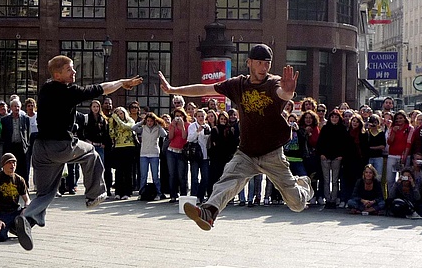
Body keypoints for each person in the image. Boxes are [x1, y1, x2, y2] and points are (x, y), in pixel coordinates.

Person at [159, 43, 313, 231]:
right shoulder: (237, 85)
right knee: (226, 181)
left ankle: (304, 184)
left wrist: (288, 91)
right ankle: (209, 213)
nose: (263, 68)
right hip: (246, 153)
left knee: (296, 204)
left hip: (272, 153)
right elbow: (205, 89)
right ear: (249, 62)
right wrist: (174, 90)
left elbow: (283, 93)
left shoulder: (273, 83)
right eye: (259, 63)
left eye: (267, 64)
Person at [13, 56, 142, 250]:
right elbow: (102, 88)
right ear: (58, 75)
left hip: (40, 148)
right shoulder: (68, 92)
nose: (74, 73)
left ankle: (25, 219)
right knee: (92, 153)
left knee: (45, 193)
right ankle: (93, 195)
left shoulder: (46, 88)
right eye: (69, 70)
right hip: (61, 146)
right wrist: (122, 83)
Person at [0, 152, 30, 241]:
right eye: (9, 162)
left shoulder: (19, 179)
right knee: (0, 236)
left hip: (16, 211)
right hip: (2, 214)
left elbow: (27, 199)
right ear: (3, 165)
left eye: (14, 163)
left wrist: (27, 207)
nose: (12, 165)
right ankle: (1, 228)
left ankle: (19, 229)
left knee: (37, 211)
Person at [316, 108, 349, 208]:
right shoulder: (325, 128)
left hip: (337, 157)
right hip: (325, 157)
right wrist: (321, 154)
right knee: (326, 179)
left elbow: (345, 144)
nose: (334, 119)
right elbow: (320, 142)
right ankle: (327, 199)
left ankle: (333, 199)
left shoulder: (342, 129)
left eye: (336, 117)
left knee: (335, 180)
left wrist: (341, 155)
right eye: (332, 117)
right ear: (329, 118)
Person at [134, 111, 167, 198]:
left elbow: (164, 134)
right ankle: (142, 193)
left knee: (155, 175)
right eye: (148, 121)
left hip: (154, 154)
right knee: (143, 175)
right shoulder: (143, 128)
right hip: (144, 154)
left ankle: (159, 193)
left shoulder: (157, 128)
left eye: (151, 121)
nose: (149, 123)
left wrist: (159, 126)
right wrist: (142, 122)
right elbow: (133, 128)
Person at [108, 106, 137, 199]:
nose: (119, 115)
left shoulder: (130, 121)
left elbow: (126, 127)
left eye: (121, 113)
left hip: (129, 147)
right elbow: (111, 133)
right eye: (117, 114)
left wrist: (117, 119)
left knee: (128, 171)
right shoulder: (115, 122)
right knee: (119, 171)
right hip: (118, 147)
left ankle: (127, 192)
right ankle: (118, 192)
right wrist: (112, 122)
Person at [0, 97, 31, 179]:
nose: (16, 108)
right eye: (14, 106)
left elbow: (27, 132)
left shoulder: (25, 119)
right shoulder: (5, 120)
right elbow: (3, 134)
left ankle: (24, 186)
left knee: (23, 168)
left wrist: (27, 144)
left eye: (18, 106)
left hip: (21, 146)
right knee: (10, 167)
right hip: (10, 146)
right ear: (10, 108)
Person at [187, 109, 211, 202]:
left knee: (205, 177)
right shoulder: (192, 126)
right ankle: (194, 196)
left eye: (202, 116)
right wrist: (198, 131)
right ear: (196, 117)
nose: (201, 118)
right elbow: (189, 139)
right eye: (199, 116)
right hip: (195, 155)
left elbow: (207, 140)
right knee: (194, 177)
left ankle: (201, 195)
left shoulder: (207, 126)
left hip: (204, 155)